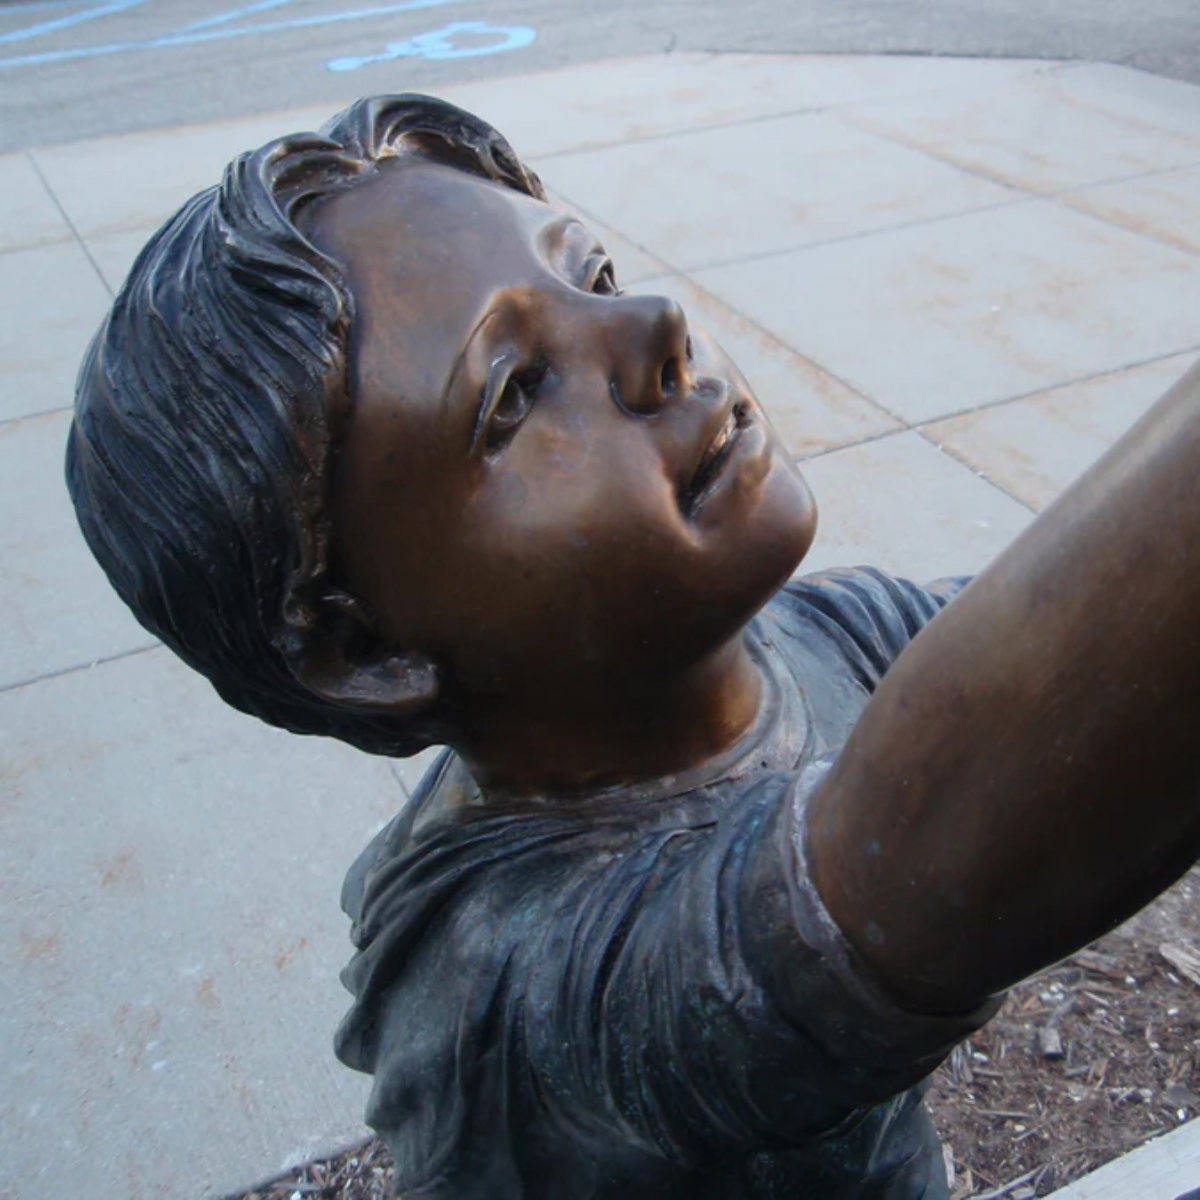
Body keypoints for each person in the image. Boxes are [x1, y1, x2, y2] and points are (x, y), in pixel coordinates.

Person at [66, 94, 1200, 1199]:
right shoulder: (522, 990)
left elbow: (1081, 665)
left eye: (592, 275)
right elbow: (937, 837)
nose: (654, 321)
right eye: (513, 395)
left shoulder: (805, 641)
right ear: (361, 647)